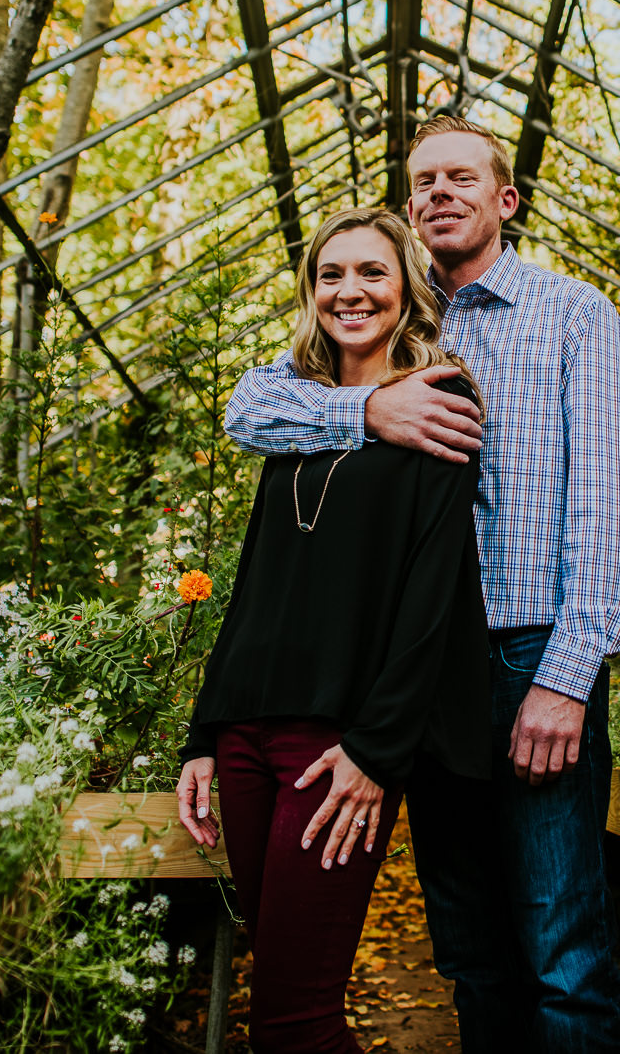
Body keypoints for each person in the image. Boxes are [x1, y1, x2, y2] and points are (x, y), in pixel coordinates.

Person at [223, 115, 620, 1052]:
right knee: (469, 944)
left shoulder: (570, 313)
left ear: (505, 200)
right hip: (430, 675)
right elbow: (248, 409)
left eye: (462, 177)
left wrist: (564, 679)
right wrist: (367, 406)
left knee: (564, 947)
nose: (440, 194)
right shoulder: (393, 327)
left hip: (530, 652)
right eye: (423, 181)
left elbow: (615, 511)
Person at [174, 208, 491, 1053]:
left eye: (372, 273)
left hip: (331, 744)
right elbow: (257, 583)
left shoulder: (442, 400)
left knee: (295, 1015)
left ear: (408, 288)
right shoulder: (295, 411)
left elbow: (434, 594)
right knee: (271, 995)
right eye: (330, 275)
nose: (349, 292)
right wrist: (205, 733)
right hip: (245, 734)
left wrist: (376, 750)